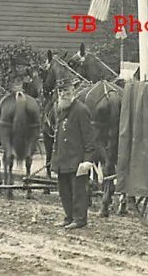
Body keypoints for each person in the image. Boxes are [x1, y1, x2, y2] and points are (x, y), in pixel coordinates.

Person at [51, 82, 96, 229]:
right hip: (63, 158)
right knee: (64, 191)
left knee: (78, 191)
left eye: (66, 90)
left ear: (73, 91)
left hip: (77, 159)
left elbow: (89, 138)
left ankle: (79, 219)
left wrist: (88, 160)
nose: (63, 94)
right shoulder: (60, 109)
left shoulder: (81, 110)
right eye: (61, 91)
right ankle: (68, 217)